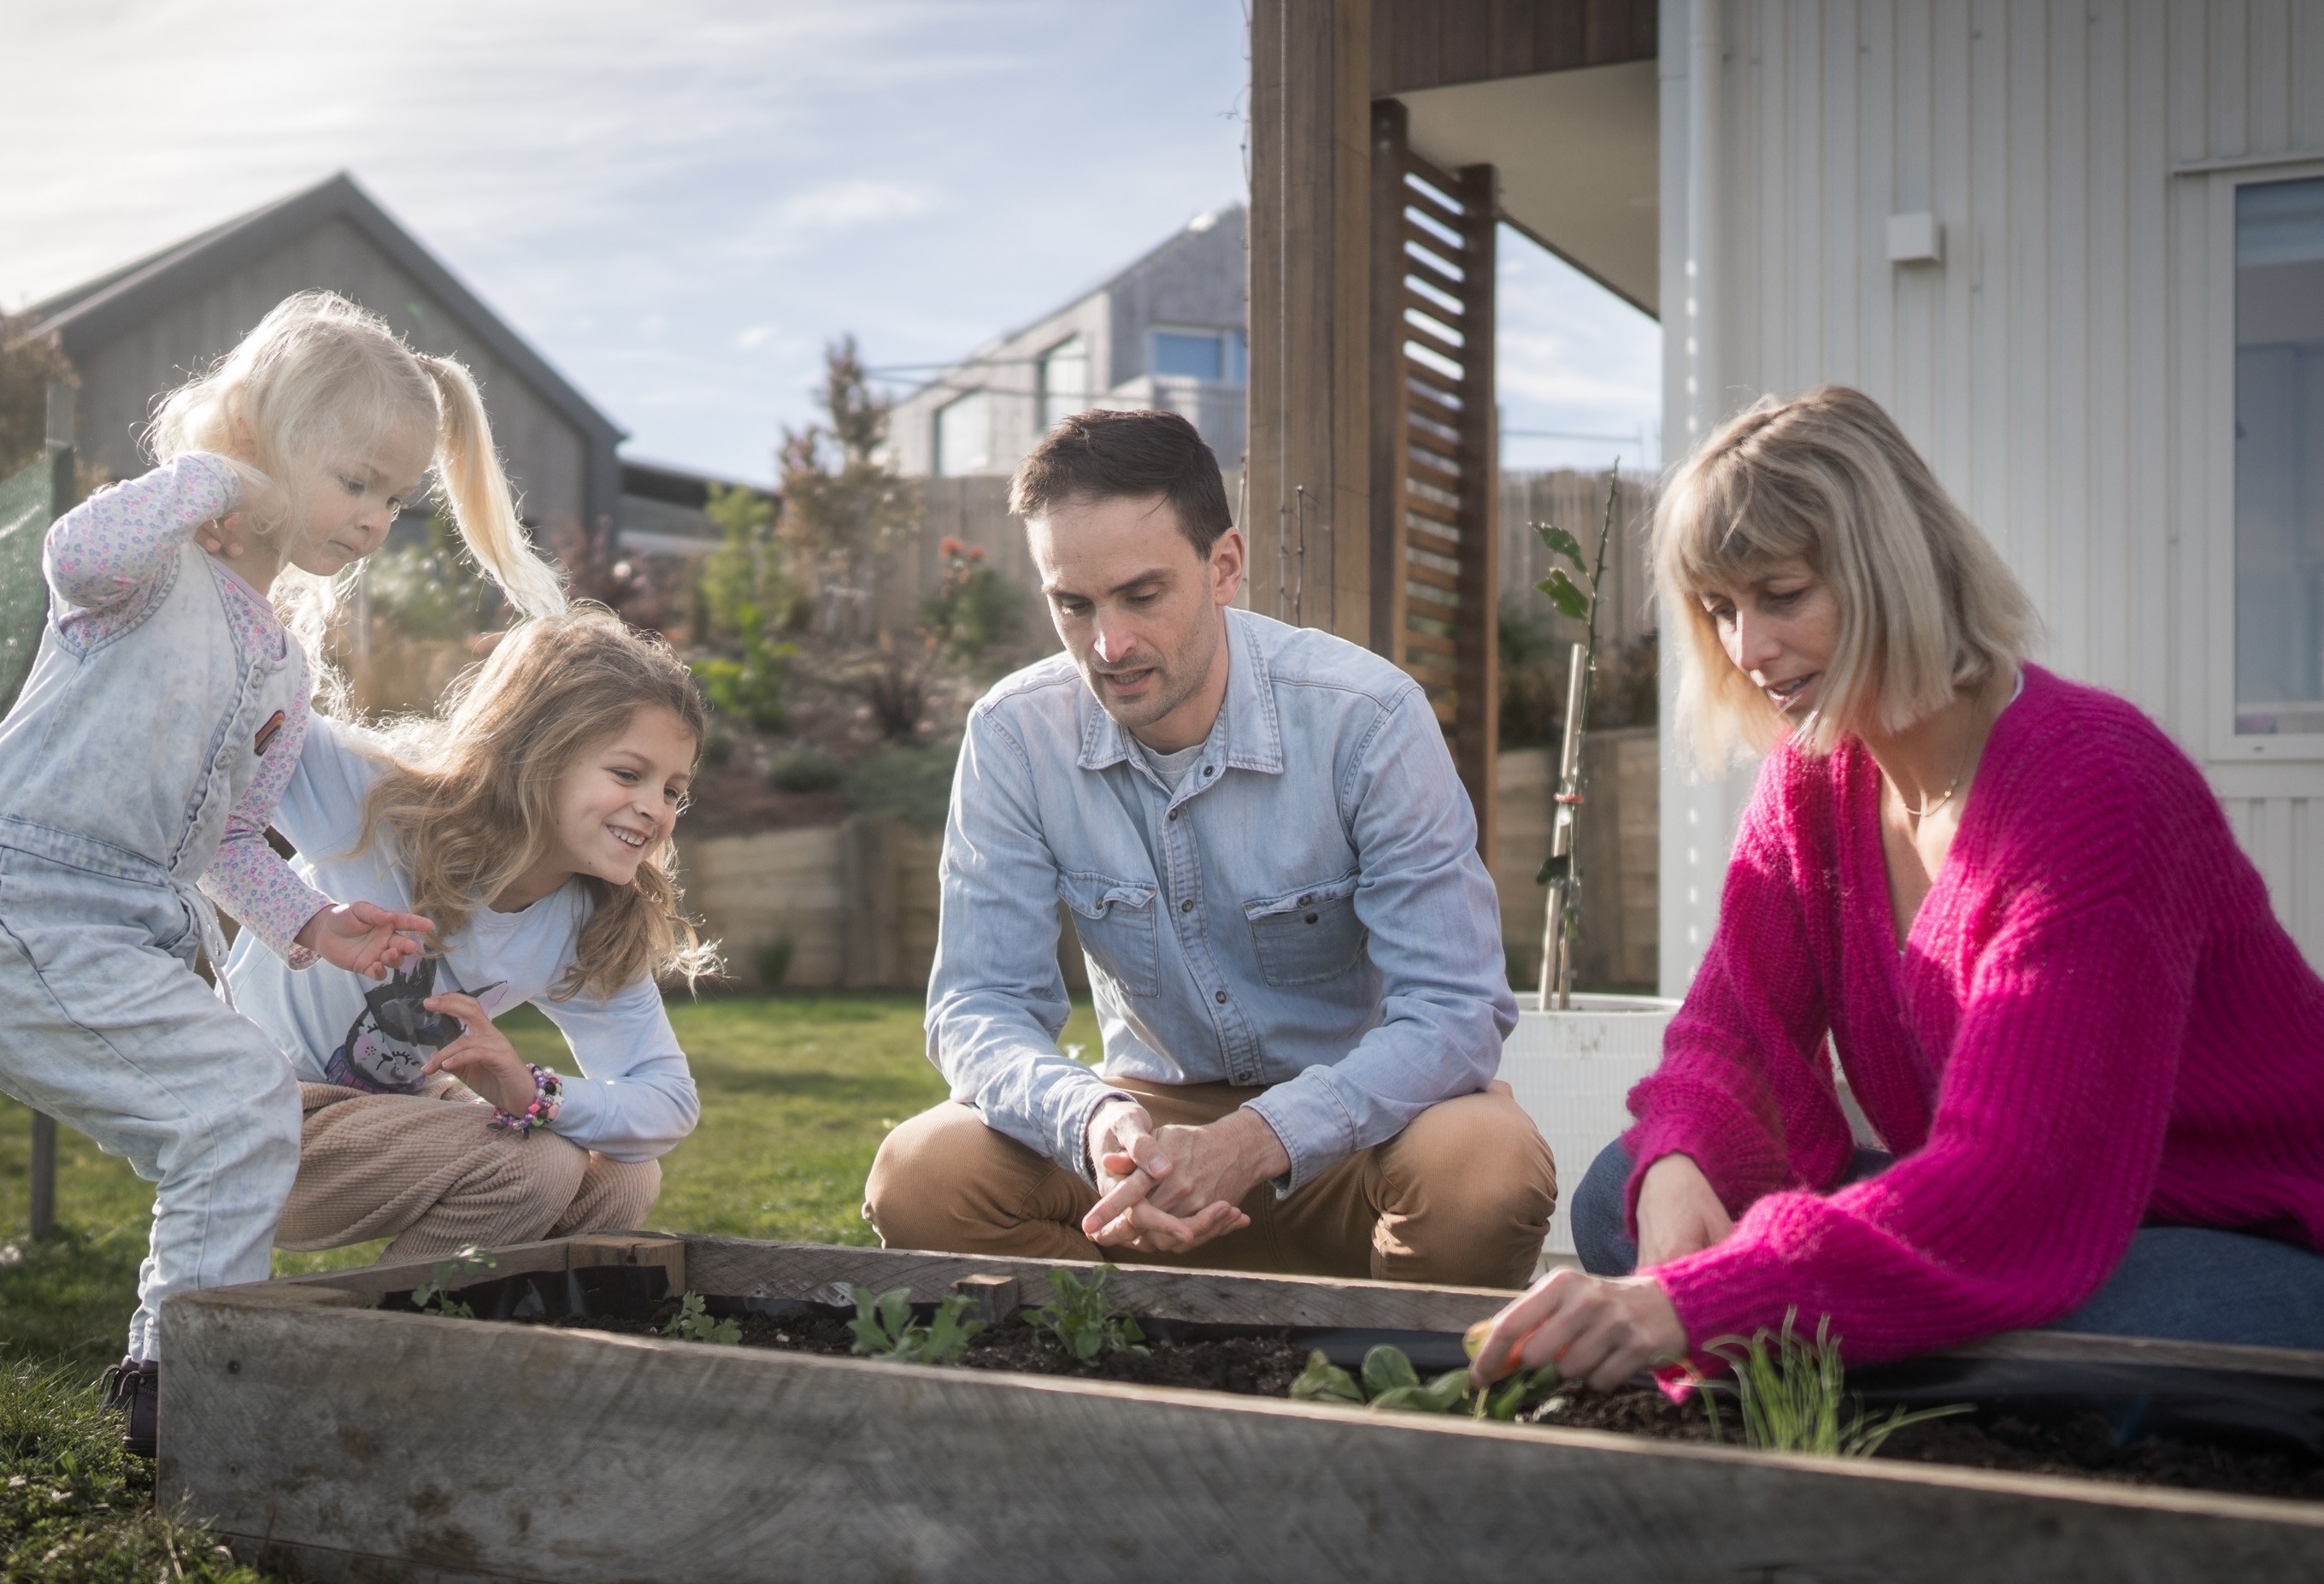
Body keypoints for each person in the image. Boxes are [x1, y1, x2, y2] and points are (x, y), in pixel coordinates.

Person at [1469, 385, 2324, 1398]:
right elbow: (1730, 1036)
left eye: (1781, 595)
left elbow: (2015, 1187)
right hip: (2024, 1211)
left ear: (1891, 569)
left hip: (2223, 1239)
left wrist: (1692, 1301)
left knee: (2035, 1341)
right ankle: (1853, 1363)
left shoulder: (2101, 790)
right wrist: (1681, 1165)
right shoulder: (1817, 775)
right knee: (1630, 1184)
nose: (1747, 650)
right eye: (1721, 610)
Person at [0, 290, 562, 1454]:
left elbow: (230, 844)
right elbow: (74, 550)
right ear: (266, 435)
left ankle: (177, 1382)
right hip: (8, 905)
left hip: (119, 928)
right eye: (356, 481)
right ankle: (194, 1386)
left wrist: (316, 923)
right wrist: (215, 475)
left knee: (234, 1111)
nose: (373, 521)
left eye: (396, 500)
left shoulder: (282, 664)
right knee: (239, 1106)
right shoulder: (148, 569)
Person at [865, 409, 1554, 1286]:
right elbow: (977, 1007)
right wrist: (1095, 1124)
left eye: (1142, 595)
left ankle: (1380, 1397)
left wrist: (1257, 1139)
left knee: (1485, 1159)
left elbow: (1455, 1011)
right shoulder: (1013, 735)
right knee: (923, 1171)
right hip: (1139, 1149)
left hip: (1355, 1140)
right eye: (1072, 604)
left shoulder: (1368, 718)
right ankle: (1128, 1377)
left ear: (1223, 566)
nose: (1108, 645)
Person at [223, 607, 708, 1269]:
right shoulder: (380, 804)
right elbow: (234, 714)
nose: (656, 808)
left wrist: (535, 1093)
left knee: (625, 1175)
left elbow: (668, 1101)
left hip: (397, 1117)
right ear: (538, 752)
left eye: (673, 790)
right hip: (253, 1111)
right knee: (533, 1166)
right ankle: (374, 1346)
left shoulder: (588, 920)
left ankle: (484, 1338)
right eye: (628, 774)